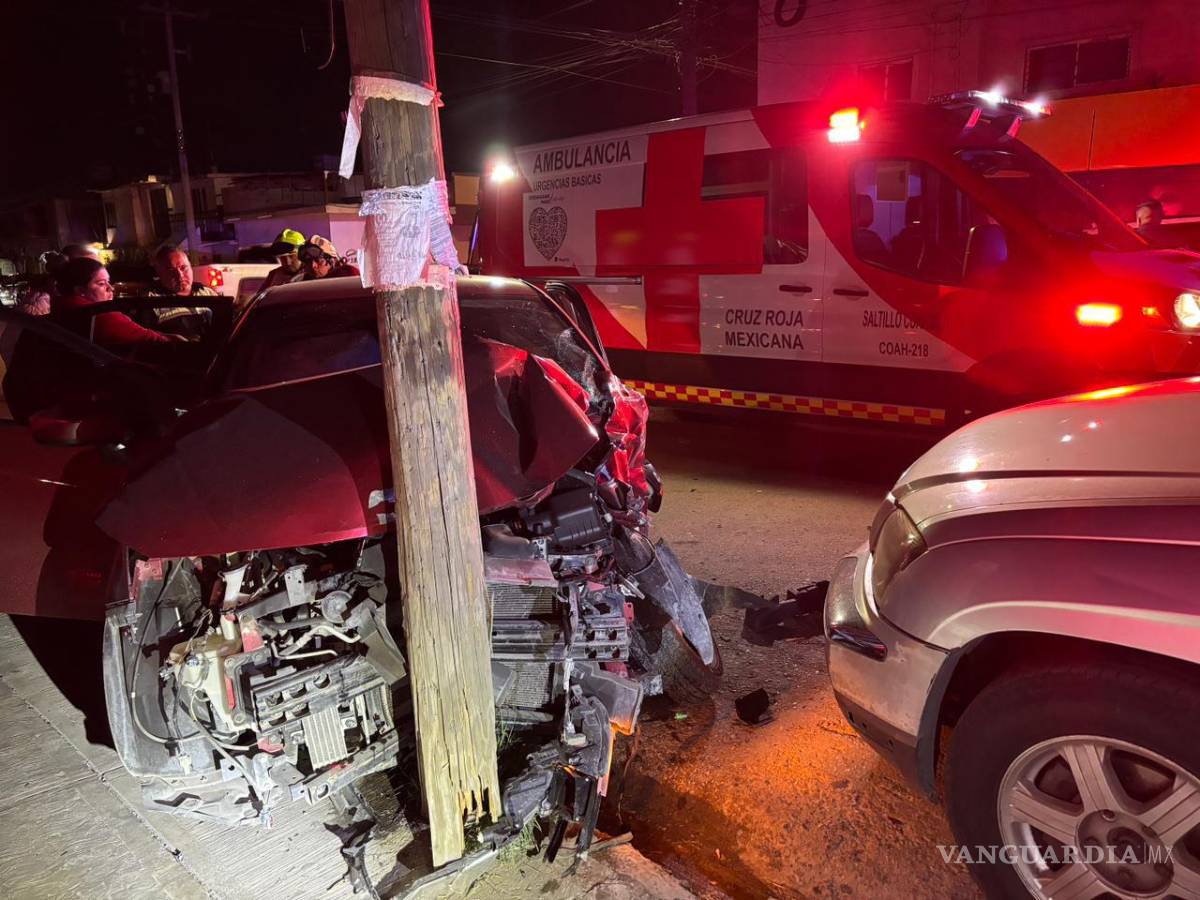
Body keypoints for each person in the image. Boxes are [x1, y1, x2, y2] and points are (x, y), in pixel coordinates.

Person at [53, 258, 179, 352]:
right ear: (80, 290)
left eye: (109, 282)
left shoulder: (60, 308)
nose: (111, 288)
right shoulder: (98, 315)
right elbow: (151, 339)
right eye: (101, 284)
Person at [148, 244, 217, 338]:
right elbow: (146, 336)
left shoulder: (207, 292)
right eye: (171, 270)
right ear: (159, 272)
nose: (179, 275)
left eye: (183, 268)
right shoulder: (151, 300)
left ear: (191, 267)